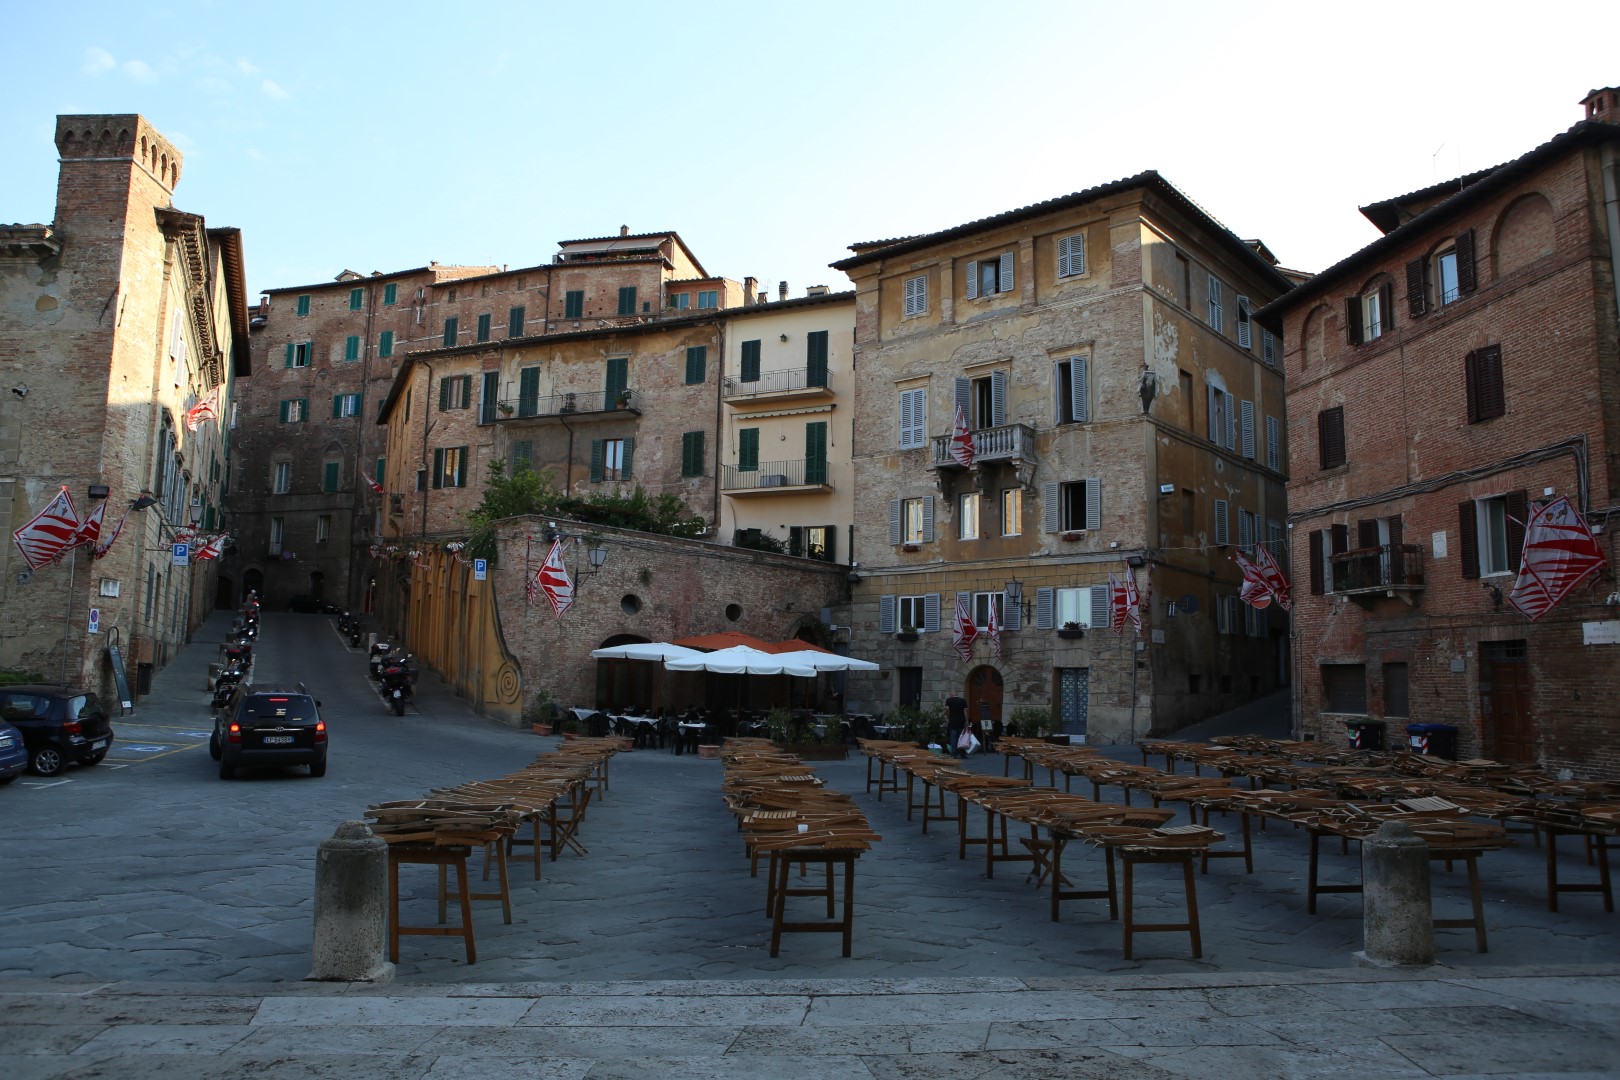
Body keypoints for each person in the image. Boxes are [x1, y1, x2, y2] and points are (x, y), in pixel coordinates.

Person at [944, 691, 969, 758]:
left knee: (953, 738)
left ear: (951, 695)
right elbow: (965, 712)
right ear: (957, 694)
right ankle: (962, 754)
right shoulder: (963, 700)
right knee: (962, 738)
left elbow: (947, 710)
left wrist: (947, 717)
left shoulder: (949, 700)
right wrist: (966, 721)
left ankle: (954, 754)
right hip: (961, 721)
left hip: (953, 722)